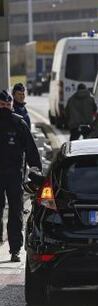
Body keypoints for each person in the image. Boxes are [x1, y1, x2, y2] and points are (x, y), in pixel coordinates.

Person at [0, 90, 42, 262]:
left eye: (8, 105)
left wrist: (36, 169)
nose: (5, 108)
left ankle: (15, 249)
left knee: (16, 212)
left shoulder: (18, 123)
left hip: (14, 175)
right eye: (2, 105)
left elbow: (30, 148)